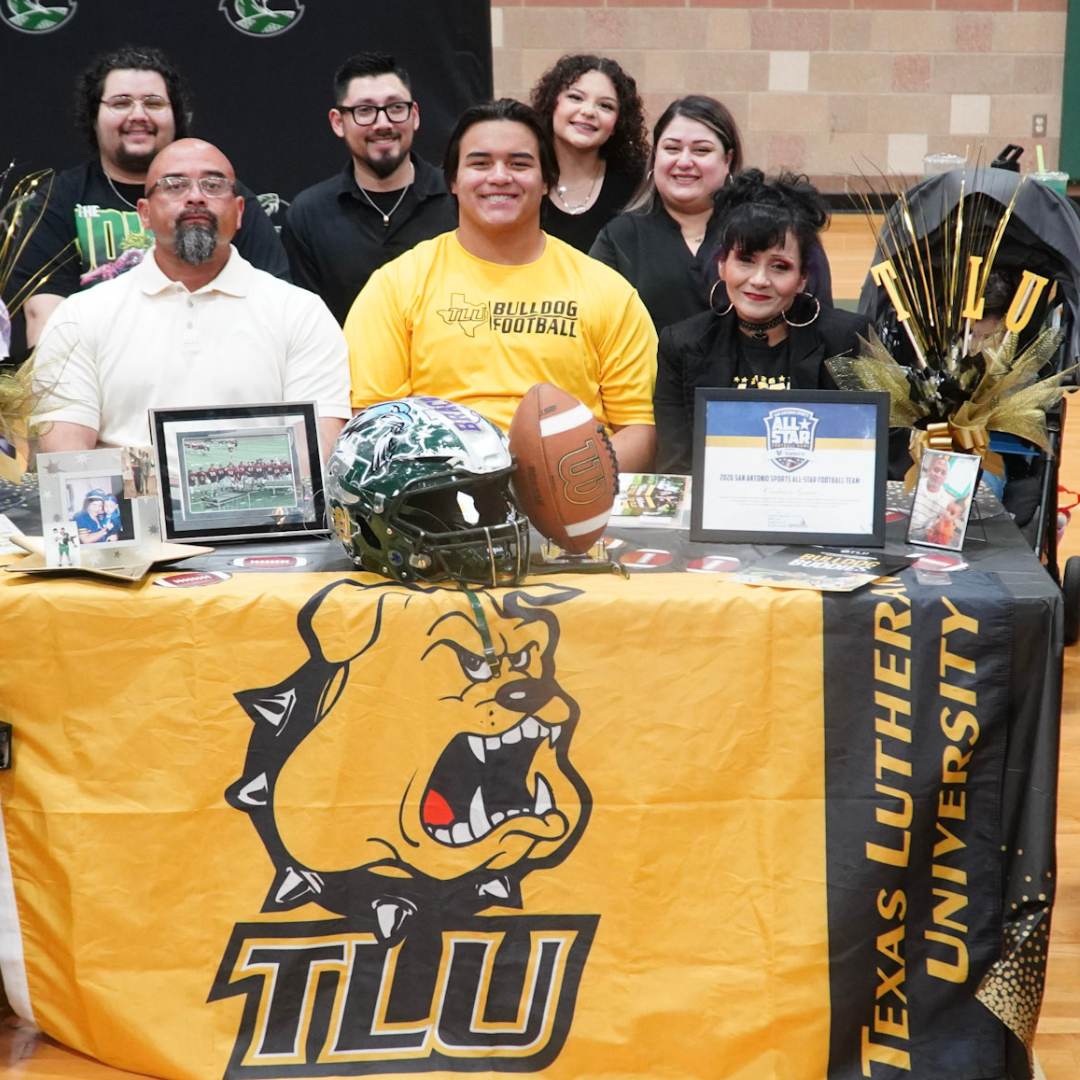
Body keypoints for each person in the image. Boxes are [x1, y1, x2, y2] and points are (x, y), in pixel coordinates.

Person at [344, 98, 658, 472]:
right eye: (480, 163)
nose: (499, 177)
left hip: (575, 493)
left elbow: (638, 429)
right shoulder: (394, 287)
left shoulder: (608, 291)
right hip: (440, 495)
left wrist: (562, 487)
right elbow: (373, 425)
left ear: (546, 181)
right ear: (453, 180)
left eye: (519, 164)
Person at [30, 139, 351, 455]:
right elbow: (67, 460)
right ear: (144, 214)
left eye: (213, 185)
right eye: (174, 186)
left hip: (265, 490)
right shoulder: (80, 317)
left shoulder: (300, 313)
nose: (196, 197)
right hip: (124, 492)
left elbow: (317, 456)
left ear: (239, 211)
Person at [12, 45, 289, 350]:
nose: (138, 115)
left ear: (177, 116)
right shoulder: (58, 201)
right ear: (94, 117)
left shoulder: (222, 196)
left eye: (153, 103)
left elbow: (274, 304)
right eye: (120, 103)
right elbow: (46, 322)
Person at [653, 170, 867, 474]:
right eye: (746, 260)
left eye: (780, 266)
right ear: (722, 265)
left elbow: (884, 457)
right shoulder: (681, 345)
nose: (759, 280)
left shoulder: (849, 341)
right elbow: (677, 467)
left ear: (802, 277)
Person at [591, 96, 832, 334]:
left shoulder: (777, 228)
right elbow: (593, 324)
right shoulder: (620, 237)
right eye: (672, 148)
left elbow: (819, 322)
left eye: (701, 150)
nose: (684, 161)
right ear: (655, 156)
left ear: (727, 159)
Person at [282, 52, 458, 325]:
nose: (383, 123)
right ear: (338, 122)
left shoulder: (459, 199)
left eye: (395, 107)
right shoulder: (309, 214)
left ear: (414, 115)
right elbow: (305, 325)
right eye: (364, 110)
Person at [529, 54, 649, 253]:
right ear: (552, 104)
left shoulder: (637, 186)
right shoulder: (522, 176)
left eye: (605, 106)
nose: (588, 111)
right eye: (576, 98)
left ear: (618, 123)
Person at [908, 452, 959, 539]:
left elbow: (932, 529)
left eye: (943, 473)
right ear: (929, 470)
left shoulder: (945, 502)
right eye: (936, 470)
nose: (938, 475)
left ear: (946, 478)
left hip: (918, 534)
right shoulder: (914, 485)